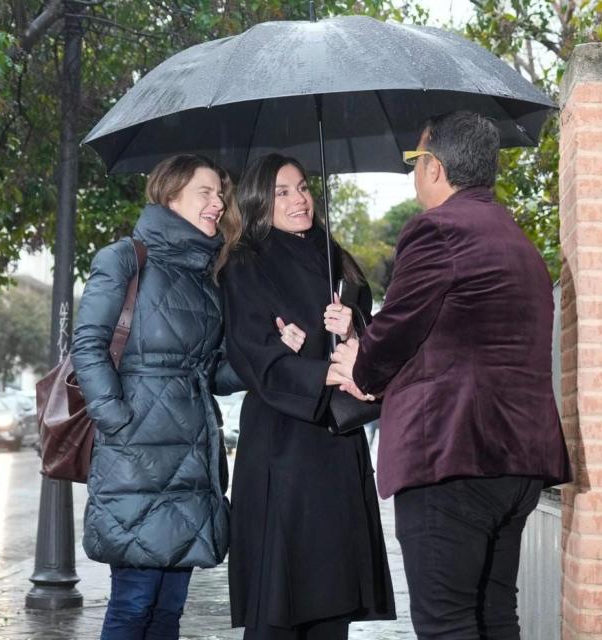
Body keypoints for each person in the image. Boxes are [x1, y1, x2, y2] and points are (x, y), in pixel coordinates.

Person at [332, 111, 572, 640]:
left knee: (447, 625)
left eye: (415, 162)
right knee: (494, 616)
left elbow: (397, 329)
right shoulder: (515, 238)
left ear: (436, 167)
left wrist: (360, 363)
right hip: (519, 461)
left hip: (453, 456)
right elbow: (457, 339)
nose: (414, 174)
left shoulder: (436, 230)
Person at [72, 154, 248, 640]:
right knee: (133, 604)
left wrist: (268, 358)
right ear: (170, 195)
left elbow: (211, 371)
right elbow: (87, 345)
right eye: (205, 192)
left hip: (192, 455)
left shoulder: (207, 276)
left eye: (220, 195)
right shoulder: (125, 258)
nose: (218, 204)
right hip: (135, 456)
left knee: (169, 609)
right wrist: (117, 421)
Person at [222, 153, 396, 640]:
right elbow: (252, 354)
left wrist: (354, 331)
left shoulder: (333, 254)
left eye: (302, 187)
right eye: (282, 192)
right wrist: (320, 370)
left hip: (336, 443)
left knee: (331, 601)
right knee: (279, 602)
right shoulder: (246, 262)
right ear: (259, 200)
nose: (299, 199)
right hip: (282, 446)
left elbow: (372, 344)